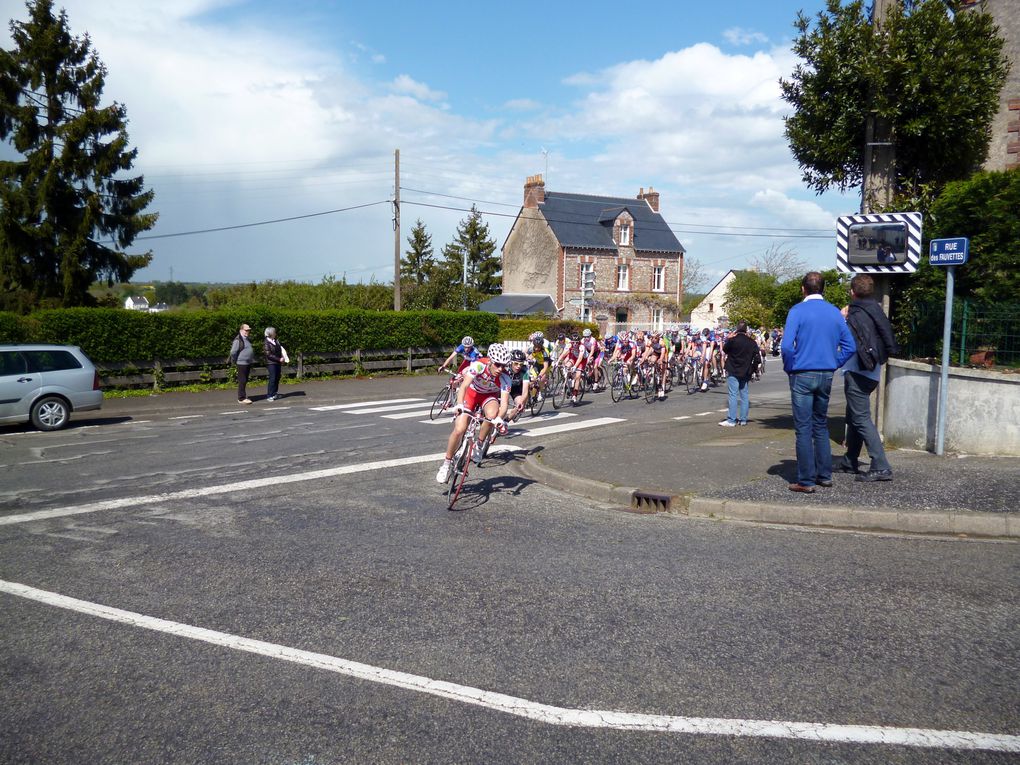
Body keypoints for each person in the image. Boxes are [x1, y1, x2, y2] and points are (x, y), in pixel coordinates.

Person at [781, 272, 856, 493]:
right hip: (826, 373)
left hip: (802, 372)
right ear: (823, 288)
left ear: (803, 288)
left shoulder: (797, 311)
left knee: (803, 427)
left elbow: (786, 346)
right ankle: (825, 475)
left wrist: (790, 366)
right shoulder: (834, 312)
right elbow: (850, 346)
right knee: (820, 425)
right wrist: (834, 362)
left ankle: (806, 480)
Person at [838, 274, 901, 482]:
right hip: (873, 370)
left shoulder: (854, 313)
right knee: (854, 415)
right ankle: (850, 461)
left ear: (852, 291)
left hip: (858, 371)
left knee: (861, 418)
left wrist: (841, 319)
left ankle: (881, 465)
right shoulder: (876, 309)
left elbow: (845, 340)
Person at [435, 343, 512, 482]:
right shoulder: (478, 365)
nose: (500, 369)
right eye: (498, 364)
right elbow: (464, 385)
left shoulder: (505, 378)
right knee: (460, 429)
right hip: (472, 393)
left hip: (489, 397)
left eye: (504, 366)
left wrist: (499, 419)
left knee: (492, 416)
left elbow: (505, 404)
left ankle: (480, 443)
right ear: (490, 361)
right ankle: (446, 464)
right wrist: (459, 405)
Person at [719, 321, 759, 426]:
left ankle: (731, 420)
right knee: (744, 395)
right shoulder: (752, 342)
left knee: (733, 394)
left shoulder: (733, 340)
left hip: (733, 369)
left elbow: (725, 349)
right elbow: (757, 358)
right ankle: (743, 419)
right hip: (745, 370)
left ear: (737, 329)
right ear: (746, 330)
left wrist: (729, 338)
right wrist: (753, 370)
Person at [228, 323, 254, 404]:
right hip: (241, 363)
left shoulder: (246, 339)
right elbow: (233, 352)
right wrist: (236, 360)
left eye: (249, 330)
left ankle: (243, 396)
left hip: (246, 363)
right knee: (242, 380)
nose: (248, 332)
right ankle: (241, 398)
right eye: (246, 330)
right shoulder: (238, 340)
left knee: (244, 380)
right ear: (241, 330)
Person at [263, 327, 284, 401]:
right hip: (271, 363)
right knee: (273, 378)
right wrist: (279, 359)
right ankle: (269, 395)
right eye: (274, 332)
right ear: (270, 333)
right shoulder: (266, 342)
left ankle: (274, 393)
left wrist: (283, 356)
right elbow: (268, 354)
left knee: (277, 378)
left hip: (277, 362)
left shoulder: (276, 341)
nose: (275, 333)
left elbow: (280, 350)